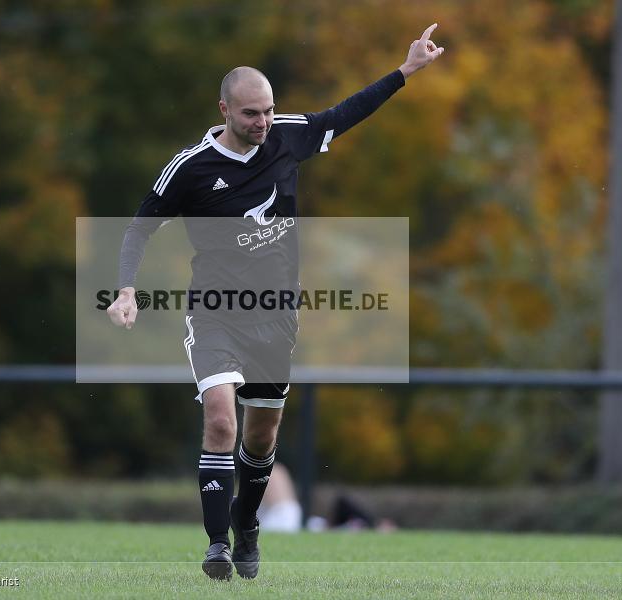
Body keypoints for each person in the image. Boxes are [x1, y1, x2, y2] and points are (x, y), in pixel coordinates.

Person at [107, 24, 444, 580]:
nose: (263, 122)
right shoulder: (190, 168)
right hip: (215, 311)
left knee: (262, 439)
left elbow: (345, 112)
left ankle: (249, 528)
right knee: (221, 421)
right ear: (224, 110)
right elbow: (139, 229)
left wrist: (405, 72)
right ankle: (217, 544)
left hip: (275, 317)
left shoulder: (287, 136)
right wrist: (125, 288)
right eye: (250, 114)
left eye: (268, 111)